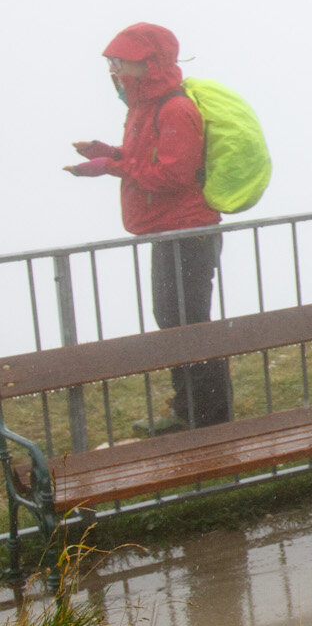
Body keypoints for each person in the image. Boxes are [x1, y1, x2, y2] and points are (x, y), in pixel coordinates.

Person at [64, 23, 233, 433]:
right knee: (173, 319)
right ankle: (190, 409)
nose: (116, 70)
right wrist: (109, 153)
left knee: (188, 321)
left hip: (188, 232)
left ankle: (208, 417)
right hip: (167, 230)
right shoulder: (145, 106)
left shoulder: (174, 108)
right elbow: (150, 157)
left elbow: (174, 175)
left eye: (123, 62)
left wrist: (110, 167)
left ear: (150, 64)